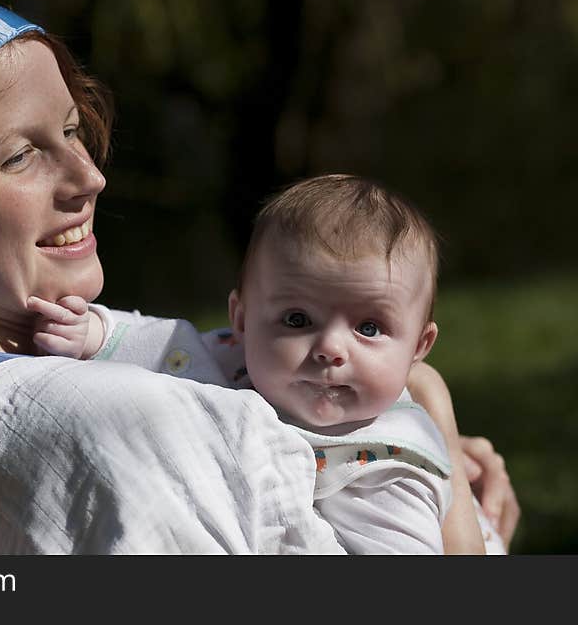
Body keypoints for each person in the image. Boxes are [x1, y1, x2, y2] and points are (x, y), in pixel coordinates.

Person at [0, 0, 518, 554]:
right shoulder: (94, 420)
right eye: (22, 153)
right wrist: (434, 435)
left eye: (73, 130)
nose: (90, 177)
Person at [29, 175, 504, 553]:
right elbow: (164, 342)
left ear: (419, 347)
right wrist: (93, 331)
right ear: (242, 319)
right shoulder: (235, 362)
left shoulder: (393, 465)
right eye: (297, 319)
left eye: (370, 328)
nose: (330, 349)